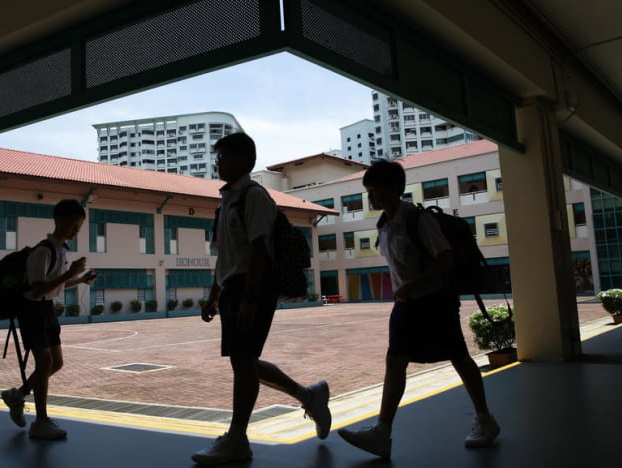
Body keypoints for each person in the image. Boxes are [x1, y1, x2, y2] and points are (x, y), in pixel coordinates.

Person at [338, 160, 500, 459]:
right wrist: (407, 290)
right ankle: (382, 432)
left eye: (374, 191)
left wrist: (413, 284)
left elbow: (445, 259)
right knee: (395, 362)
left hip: (436, 302)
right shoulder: (384, 224)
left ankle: (485, 419)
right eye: (368, 191)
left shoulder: (418, 220)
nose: (369, 197)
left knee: (459, 358)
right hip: (406, 305)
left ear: (395, 189)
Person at [192, 132, 331, 465]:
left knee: (243, 362)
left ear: (245, 161)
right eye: (218, 156)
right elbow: (226, 255)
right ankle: (308, 395)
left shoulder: (254, 197)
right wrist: (214, 296)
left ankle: (238, 439)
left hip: (250, 287)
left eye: (224, 156)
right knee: (246, 362)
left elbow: (257, 251)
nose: (218, 162)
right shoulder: (226, 200)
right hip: (233, 288)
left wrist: (250, 300)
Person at [1, 199, 98, 439]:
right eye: (73, 225)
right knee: (44, 363)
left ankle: (17, 395)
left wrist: (79, 279)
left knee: (56, 363)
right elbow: (36, 290)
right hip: (32, 310)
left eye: (80, 226)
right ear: (58, 221)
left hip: (47, 310)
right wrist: (69, 273)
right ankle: (41, 421)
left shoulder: (62, 251)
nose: (76, 230)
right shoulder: (42, 251)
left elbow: (56, 285)